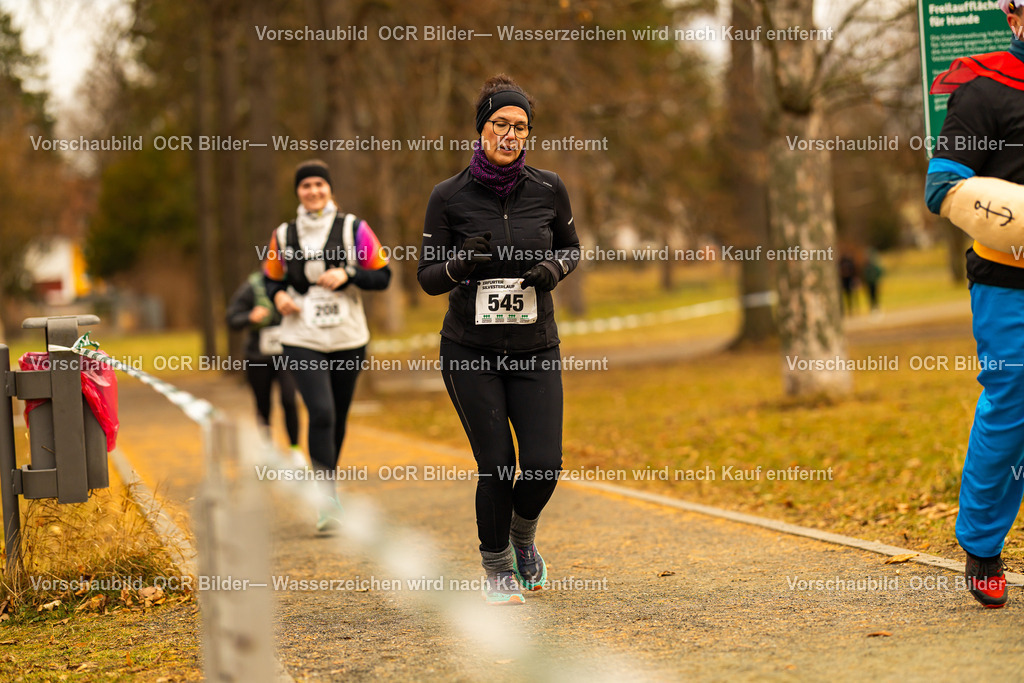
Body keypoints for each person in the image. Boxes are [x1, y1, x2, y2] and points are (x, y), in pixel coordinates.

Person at [418, 74, 581, 605]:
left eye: (520, 127)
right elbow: (425, 277)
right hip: (470, 351)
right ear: (481, 129)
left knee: (543, 464)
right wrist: (459, 263)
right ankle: (496, 569)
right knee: (497, 465)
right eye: (500, 124)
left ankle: (522, 536)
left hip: (536, 347)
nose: (510, 135)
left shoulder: (549, 188)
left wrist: (553, 269)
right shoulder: (448, 196)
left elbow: (573, 249)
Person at [926, 0, 1024, 607]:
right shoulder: (985, 87)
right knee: (1013, 410)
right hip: (1009, 283)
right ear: (1015, 19)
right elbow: (944, 186)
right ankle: (983, 548)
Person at [263, 159, 391, 532]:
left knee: (336, 416)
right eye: (306, 186)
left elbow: (383, 276)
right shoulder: (284, 235)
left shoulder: (354, 228)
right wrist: (279, 298)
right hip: (301, 336)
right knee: (320, 411)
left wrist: (349, 272)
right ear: (298, 193)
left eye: (320, 184)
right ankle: (326, 499)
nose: (314, 191)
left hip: (348, 337)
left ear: (329, 189)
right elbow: (271, 280)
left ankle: (327, 486)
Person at [225, 270, 303, 465]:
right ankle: (267, 447)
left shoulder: (295, 281)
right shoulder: (253, 286)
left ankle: (295, 449)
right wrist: (250, 316)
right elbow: (232, 318)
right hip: (257, 356)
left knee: (289, 399)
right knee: (263, 402)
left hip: (287, 356)